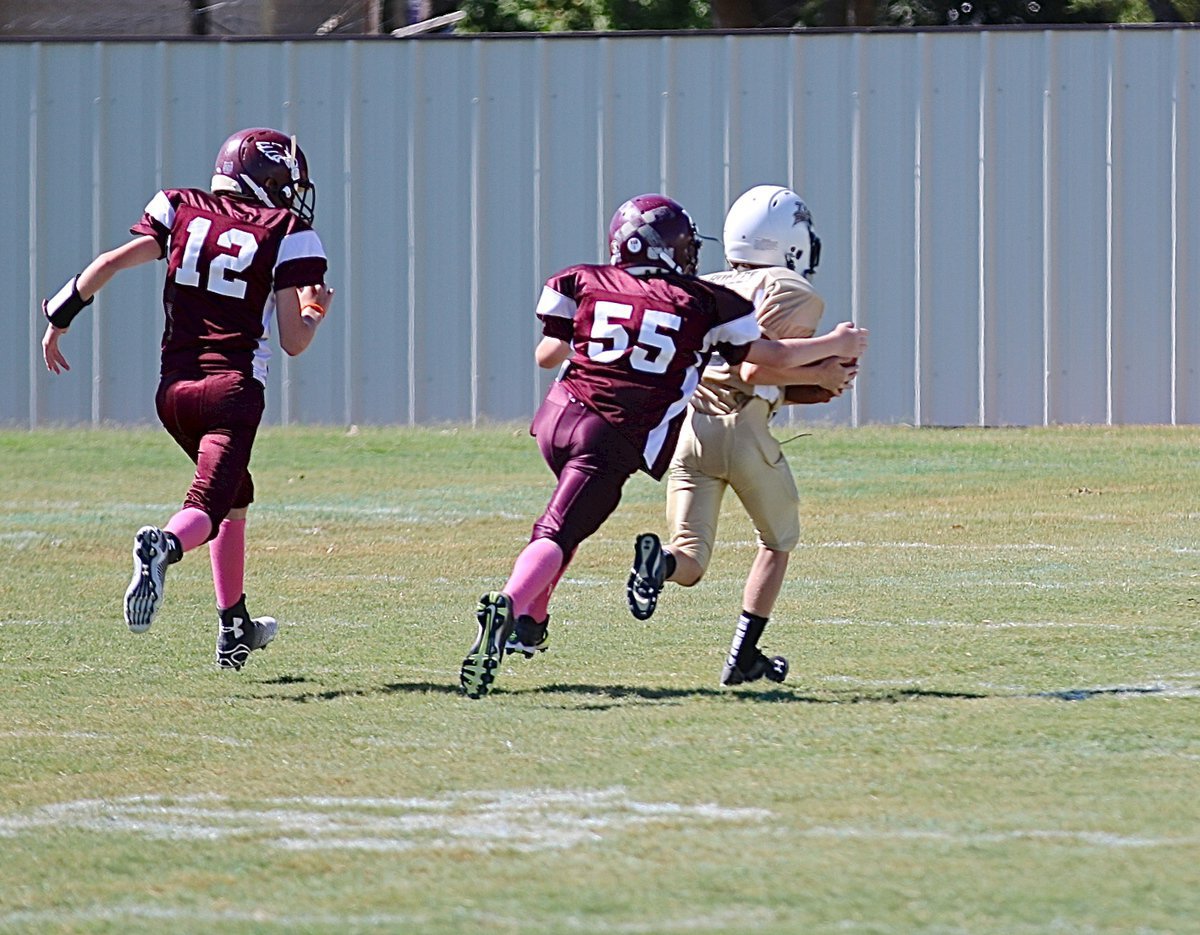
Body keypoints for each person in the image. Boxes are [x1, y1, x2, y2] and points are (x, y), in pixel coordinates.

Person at [460, 192, 867, 699]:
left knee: (577, 528)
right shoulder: (706, 299)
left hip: (561, 416)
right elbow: (758, 361)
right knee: (561, 533)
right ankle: (512, 606)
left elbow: (547, 354)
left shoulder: (586, 279)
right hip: (619, 430)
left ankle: (532, 620)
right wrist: (835, 346)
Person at [39, 127, 333, 670]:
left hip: (173, 393)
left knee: (236, 493)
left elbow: (108, 262)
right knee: (207, 505)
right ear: (264, 180)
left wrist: (59, 315)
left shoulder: (180, 206)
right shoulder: (286, 230)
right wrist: (315, 311)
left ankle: (234, 624)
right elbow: (293, 342)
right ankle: (164, 547)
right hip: (233, 391)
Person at [624, 185, 861, 687]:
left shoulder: (703, 283)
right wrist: (828, 360)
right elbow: (755, 369)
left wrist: (810, 383)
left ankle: (658, 567)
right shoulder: (790, 289)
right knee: (777, 542)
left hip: (689, 434)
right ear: (787, 241)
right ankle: (743, 655)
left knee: (689, 557)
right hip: (743, 429)